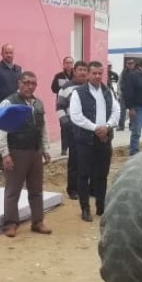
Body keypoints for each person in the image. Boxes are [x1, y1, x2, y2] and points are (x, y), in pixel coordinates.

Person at [0, 71, 51, 237]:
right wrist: (4, 153)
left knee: (36, 190)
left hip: (35, 152)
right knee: (13, 191)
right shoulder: (8, 103)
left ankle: (38, 221)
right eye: (26, 82)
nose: (29, 86)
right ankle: (10, 224)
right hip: (16, 151)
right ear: (19, 83)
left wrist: (45, 148)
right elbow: (0, 129)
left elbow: (43, 127)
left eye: (33, 83)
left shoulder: (38, 104)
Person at [69, 61, 119, 222]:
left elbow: (116, 110)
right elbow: (76, 116)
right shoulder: (79, 92)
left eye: (100, 73)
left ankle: (101, 206)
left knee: (102, 175)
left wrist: (108, 126)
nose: (97, 76)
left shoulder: (107, 91)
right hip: (86, 140)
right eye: (94, 73)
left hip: (104, 139)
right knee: (83, 175)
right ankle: (85, 209)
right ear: (89, 74)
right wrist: (95, 128)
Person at [56, 62, 88, 200]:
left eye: (85, 70)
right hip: (73, 129)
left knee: (87, 160)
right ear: (74, 71)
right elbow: (59, 108)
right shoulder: (65, 88)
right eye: (80, 70)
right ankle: (72, 189)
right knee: (74, 160)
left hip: (88, 128)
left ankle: (85, 188)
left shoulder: (90, 87)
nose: (82, 72)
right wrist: (66, 124)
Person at [51, 56, 75, 155]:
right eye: (67, 63)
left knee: (74, 127)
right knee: (64, 126)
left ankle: (73, 148)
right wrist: (63, 85)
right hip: (63, 105)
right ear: (64, 64)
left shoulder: (76, 75)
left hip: (74, 105)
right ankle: (64, 148)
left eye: (71, 62)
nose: (69, 64)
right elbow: (53, 89)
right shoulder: (59, 76)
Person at [0, 43, 21, 108]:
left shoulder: (20, 70)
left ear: (13, 54)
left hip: (15, 108)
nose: (9, 55)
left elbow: (21, 89)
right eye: (6, 53)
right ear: (2, 54)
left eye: (11, 53)